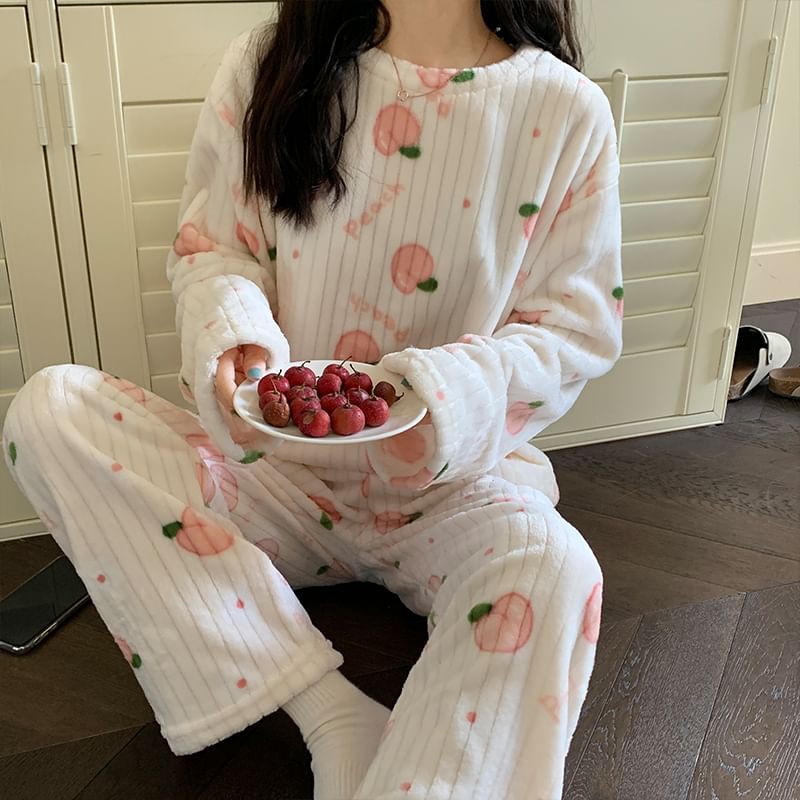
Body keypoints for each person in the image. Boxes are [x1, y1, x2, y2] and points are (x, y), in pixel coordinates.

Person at [2, 0, 623, 797]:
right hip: (274, 476)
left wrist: (439, 395)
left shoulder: (567, 110)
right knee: (49, 411)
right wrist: (238, 337)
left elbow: (572, 329)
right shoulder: (268, 67)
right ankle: (330, 713)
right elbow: (215, 250)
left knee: (556, 567)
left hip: (453, 487)